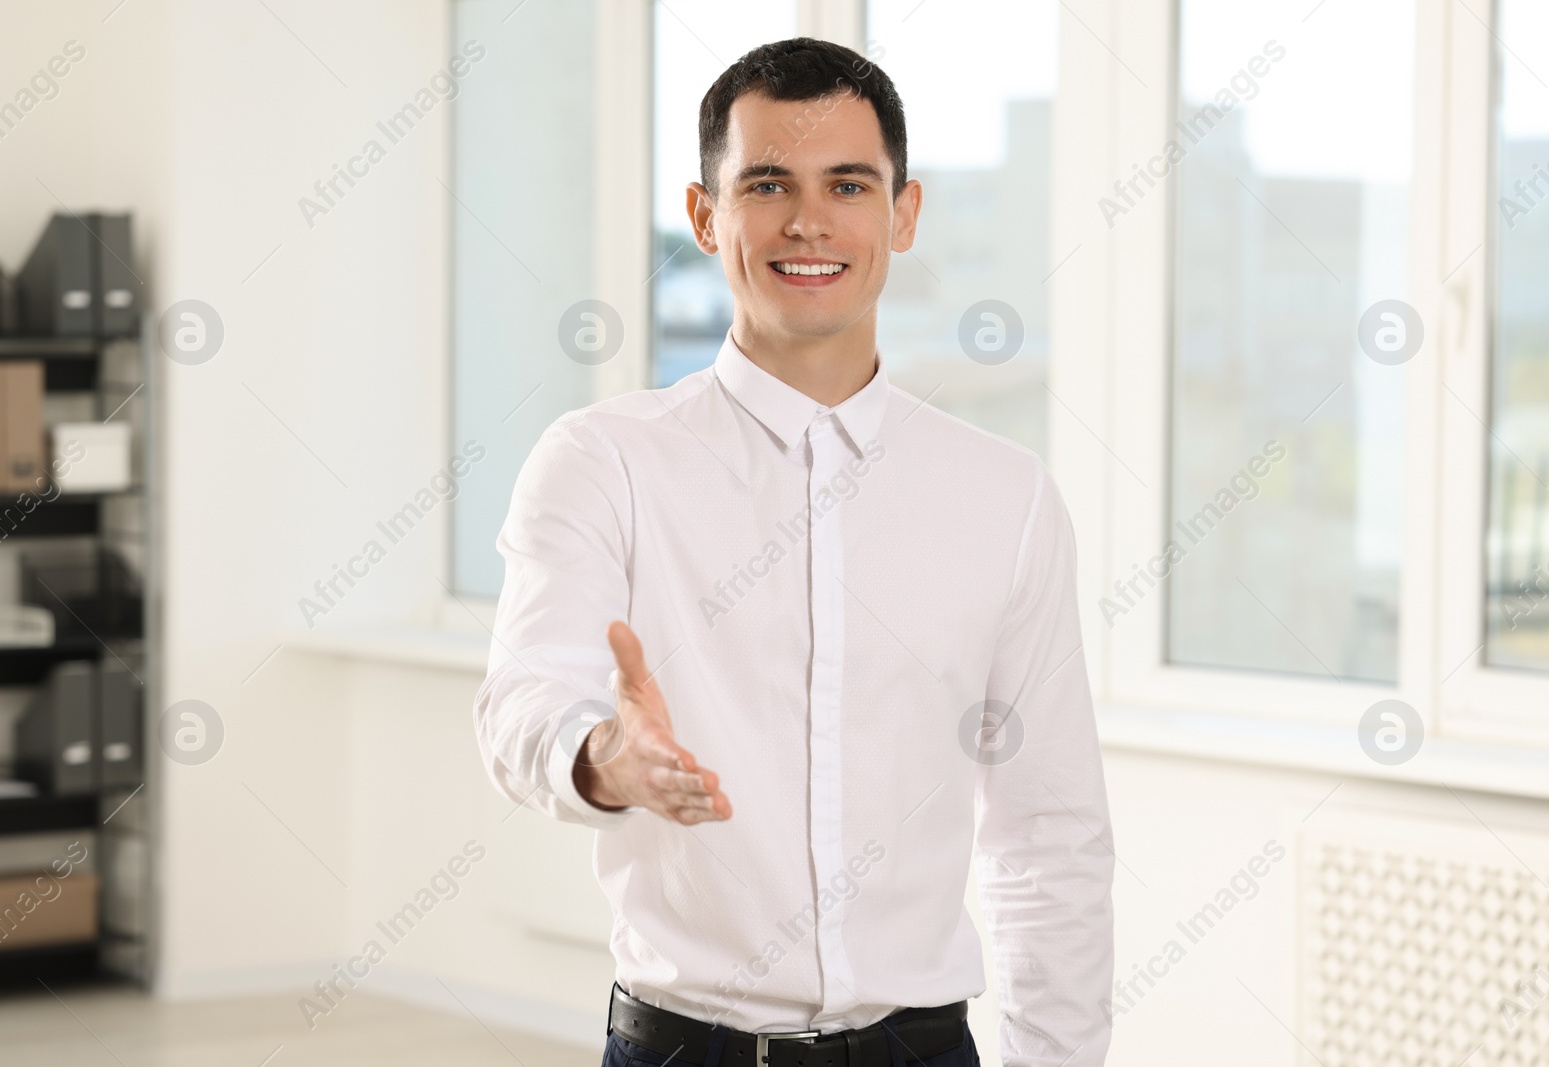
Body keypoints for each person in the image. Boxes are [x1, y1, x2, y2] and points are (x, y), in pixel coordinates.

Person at [472, 36, 1114, 1067]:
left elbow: (1050, 836)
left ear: (902, 214)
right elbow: (521, 703)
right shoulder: (604, 463)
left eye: (847, 185)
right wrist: (605, 757)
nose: (808, 221)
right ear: (704, 215)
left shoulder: (1007, 496)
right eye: (766, 183)